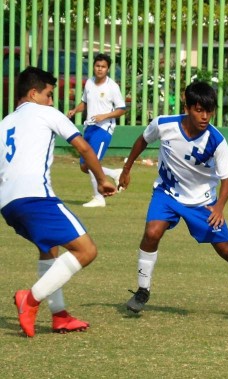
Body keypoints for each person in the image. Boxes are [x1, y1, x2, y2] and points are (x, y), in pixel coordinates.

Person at [119, 80, 228, 320]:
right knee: (152, 233)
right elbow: (142, 140)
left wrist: (220, 208)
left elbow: (227, 181)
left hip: (202, 203)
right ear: (188, 106)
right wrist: (126, 168)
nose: (205, 116)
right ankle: (142, 291)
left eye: (209, 111)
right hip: (167, 193)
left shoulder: (216, 141)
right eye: (199, 110)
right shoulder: (164, 124)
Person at [0, 67, 117, 337]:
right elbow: (84, 147)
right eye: (49, 94)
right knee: (86, 251)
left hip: (8, 204)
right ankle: (29, 300)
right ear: (33, 93)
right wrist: (101, 180)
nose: (52, 101)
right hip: (35, 197)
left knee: (49, 247)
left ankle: (60, 315)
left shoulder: (5, 123)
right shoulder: (48, 113)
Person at [67, 53, 127, 208]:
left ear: (108, 69)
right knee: (84, 167)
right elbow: (84, 103)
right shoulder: (89, 83)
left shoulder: (112, 86)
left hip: (103, 129)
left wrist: (105, 116)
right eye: (97, 66)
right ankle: (115, 173)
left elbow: (122, 109)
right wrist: (75, 110)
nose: (100, 69)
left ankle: (99, 198)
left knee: (92, 163)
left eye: (103, 67)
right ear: (94, 67)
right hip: (90, 127)